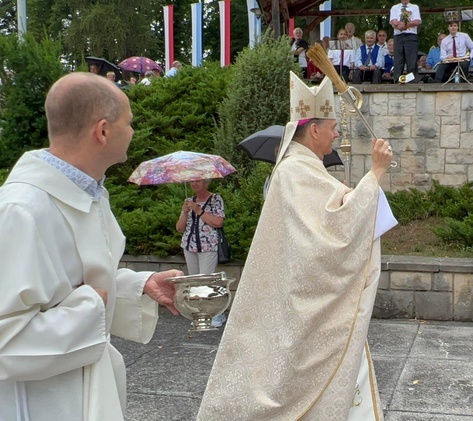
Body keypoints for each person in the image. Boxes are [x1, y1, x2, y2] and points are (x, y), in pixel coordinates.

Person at [196, 72, 393, 420]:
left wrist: (350, 193)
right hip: (305, 305)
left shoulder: (306, 169)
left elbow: (331, 216)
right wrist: (374, 173)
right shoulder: (294, 172)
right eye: (332, 127)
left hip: (318, 307)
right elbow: (332, 235)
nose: (337, 133)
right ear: (313, 129)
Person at [0, 72, 181, 419]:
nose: (133, 131)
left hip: (80, 387)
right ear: (102, 131)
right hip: (44, 403)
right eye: (129, 123)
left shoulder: (86, 194)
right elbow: (6, 341)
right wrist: (90, 308)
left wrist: (138, 286)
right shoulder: (20, 209)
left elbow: (70, 280)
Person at [175, 179, 226, 326]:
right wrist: (185, 213)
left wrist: (199, 210)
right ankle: (200, 315)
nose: (195, 184)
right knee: (194, 282)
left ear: (206, 182)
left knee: (207, 281)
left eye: (198, 181)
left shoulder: (215, 199)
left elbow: (218, 222)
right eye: (192, 181)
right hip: (189, 246)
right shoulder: (189, 200)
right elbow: (179, 228)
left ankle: (216, 314)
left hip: (208, 246)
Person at [389, 0, 421, 83]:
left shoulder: (414, 7)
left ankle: (412, 81)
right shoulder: (395, 8)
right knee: (398, 60)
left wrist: (406, 25)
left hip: (411, 35)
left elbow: (417, 21)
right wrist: (398, 25)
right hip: (398, 35)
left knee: (411, 60)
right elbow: (393, 21)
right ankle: (397, 81)